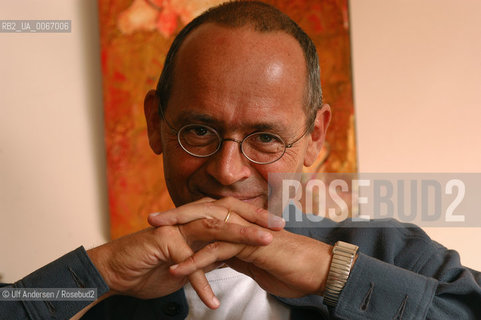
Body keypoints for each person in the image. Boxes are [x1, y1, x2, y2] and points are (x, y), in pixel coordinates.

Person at [2, 1, 480, 319]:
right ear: (155, 123)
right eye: (198, 131)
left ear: (314, 138)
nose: (227, 172)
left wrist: (332, 274)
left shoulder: (397, 255)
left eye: (266, 138)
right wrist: (98, 272)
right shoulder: (104, 297)